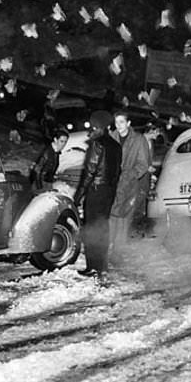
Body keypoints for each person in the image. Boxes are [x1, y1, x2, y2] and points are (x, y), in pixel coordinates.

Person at [73, 110, 121, 277]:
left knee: (92, 227)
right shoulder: (116, 146)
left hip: (95, 191)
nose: (90, 130)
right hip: (108, 191)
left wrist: (78, 196)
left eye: (93, 127)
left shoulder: (97, 144)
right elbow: (117, 173)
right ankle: (102, 266)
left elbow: (90, 172)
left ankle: (93, 266)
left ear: (99, 127)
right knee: (102, 227)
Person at [109, 110, 152, 252]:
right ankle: (108, 248)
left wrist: (129, 175)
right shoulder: (111, 138)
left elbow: (143, 163)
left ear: (128, 123)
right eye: (116, 122)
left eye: (121, 122)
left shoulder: (139, 140)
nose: (118, 125)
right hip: (113, 183)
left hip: (130, 185)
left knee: (124, 218)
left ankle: (118, 252)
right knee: (111, 216)